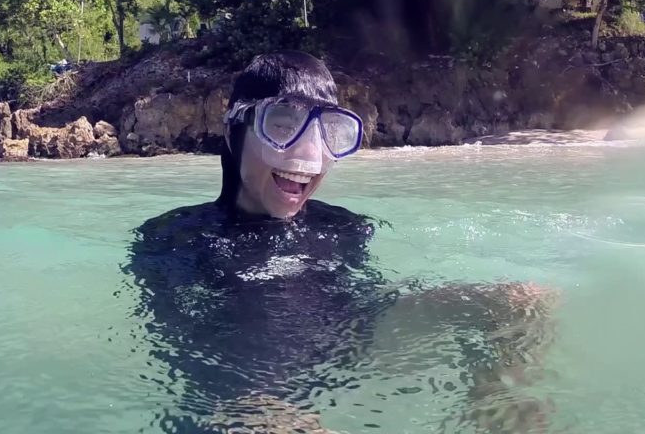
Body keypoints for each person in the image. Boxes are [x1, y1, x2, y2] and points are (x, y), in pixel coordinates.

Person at [126, 52, 554, 433]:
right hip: (238, 400)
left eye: (327, 131)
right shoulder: (173, 236)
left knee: (519, 301)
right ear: (235, 129)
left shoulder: (347, 228)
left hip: (342, 347)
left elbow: (366, 307)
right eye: (282, 124)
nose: (306, 155)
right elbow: (179, 348)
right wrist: (256, 406)